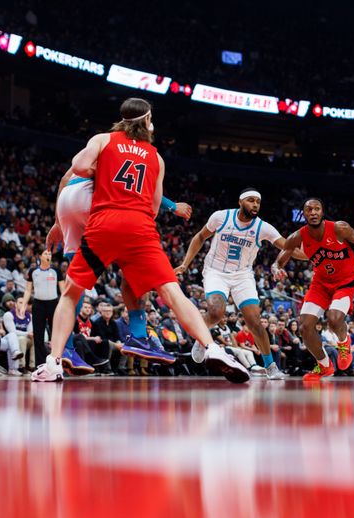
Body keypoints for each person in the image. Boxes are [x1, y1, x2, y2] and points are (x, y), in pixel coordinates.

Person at [34, 97, 247, 382]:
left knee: (71, 293)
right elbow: (156, 206)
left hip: (104, 223)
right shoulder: (156, 157)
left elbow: (79, 166)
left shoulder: (103, 139)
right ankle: (212, 348)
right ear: (147, 121)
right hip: (140, 228)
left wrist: (103, 171)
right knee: (173, 294)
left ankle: (54, 362)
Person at [45, 160, 192, 373]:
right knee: (133, 268)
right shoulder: (130, 151)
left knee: (74, 286)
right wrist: (172, 206)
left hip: (67, 200)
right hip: (92, 199)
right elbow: (141, 188)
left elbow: (64, 179)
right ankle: (140, 336)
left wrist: (58, 222)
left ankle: (64, 350)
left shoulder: (98, 145)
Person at [175, 188, 307, 380]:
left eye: (258, 202)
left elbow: (289, 248)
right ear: (240, 201)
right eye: (251, 200)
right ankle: (200, 338)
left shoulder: (263, 227)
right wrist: (185, 264)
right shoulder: (221, 217)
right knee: (216, 312)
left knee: (255, 321)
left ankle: (270, 366)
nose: (255, 205)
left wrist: (313, 254)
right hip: (215, 271)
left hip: (242, 275)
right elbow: (200, 237)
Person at [273, 198, 354, 382]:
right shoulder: (297, 237)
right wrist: (276, 268)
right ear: (303, 214)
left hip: (344, 281)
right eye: (308, 210)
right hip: (320, 284)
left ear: (322, 212)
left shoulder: (340, 228)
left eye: (316, 209)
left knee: (334, 318)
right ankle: (324, 366)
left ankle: (343, 342)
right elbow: (282, 257)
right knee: (305, 327)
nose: (313, 212)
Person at [4, 296, 34, 371]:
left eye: (25, 303)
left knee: (35, 340)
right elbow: (12, 331)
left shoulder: (29, 316)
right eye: (20, 302)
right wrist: (27, 334)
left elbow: (30, 332)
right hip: (11, 339)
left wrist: (30, 334)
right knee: (22, 339)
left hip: (24, 338)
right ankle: (21, 366)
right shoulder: (9, 314)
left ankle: (32, 366)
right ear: (16, 304)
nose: (23, 304)